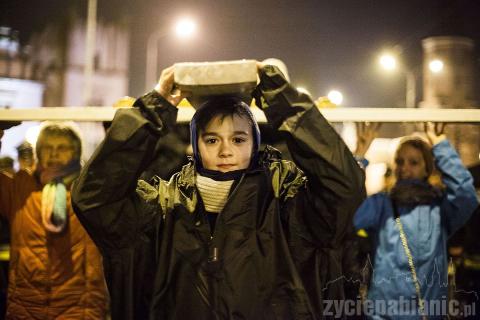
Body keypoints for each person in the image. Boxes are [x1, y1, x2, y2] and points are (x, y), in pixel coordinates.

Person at [72, 63, 366, 319]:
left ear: (254, 143)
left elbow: (344, 188)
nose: (226, 151)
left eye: (238, 139)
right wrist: (154, 107)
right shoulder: (160, 207)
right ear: (196, 145)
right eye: (212, 140)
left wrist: (280, 98)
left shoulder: (287, 202)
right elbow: (94, 199)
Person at [353, 123, 478, 319]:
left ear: (427, 168)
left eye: (413, 162)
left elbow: (466, 195)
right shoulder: (381, 204)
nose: (404, 168)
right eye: (400, 161)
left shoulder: (440, 208)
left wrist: (441, 146)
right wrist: (358, 157)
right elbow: (346, 209)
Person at [0, 122, 108, 319]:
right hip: (25, 307)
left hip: (79, 307)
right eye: (47, 148)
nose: (54, 154)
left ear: (76, 153)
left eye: (62, 148)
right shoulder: (21, 189)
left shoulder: (90, 192)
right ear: (38, 153)